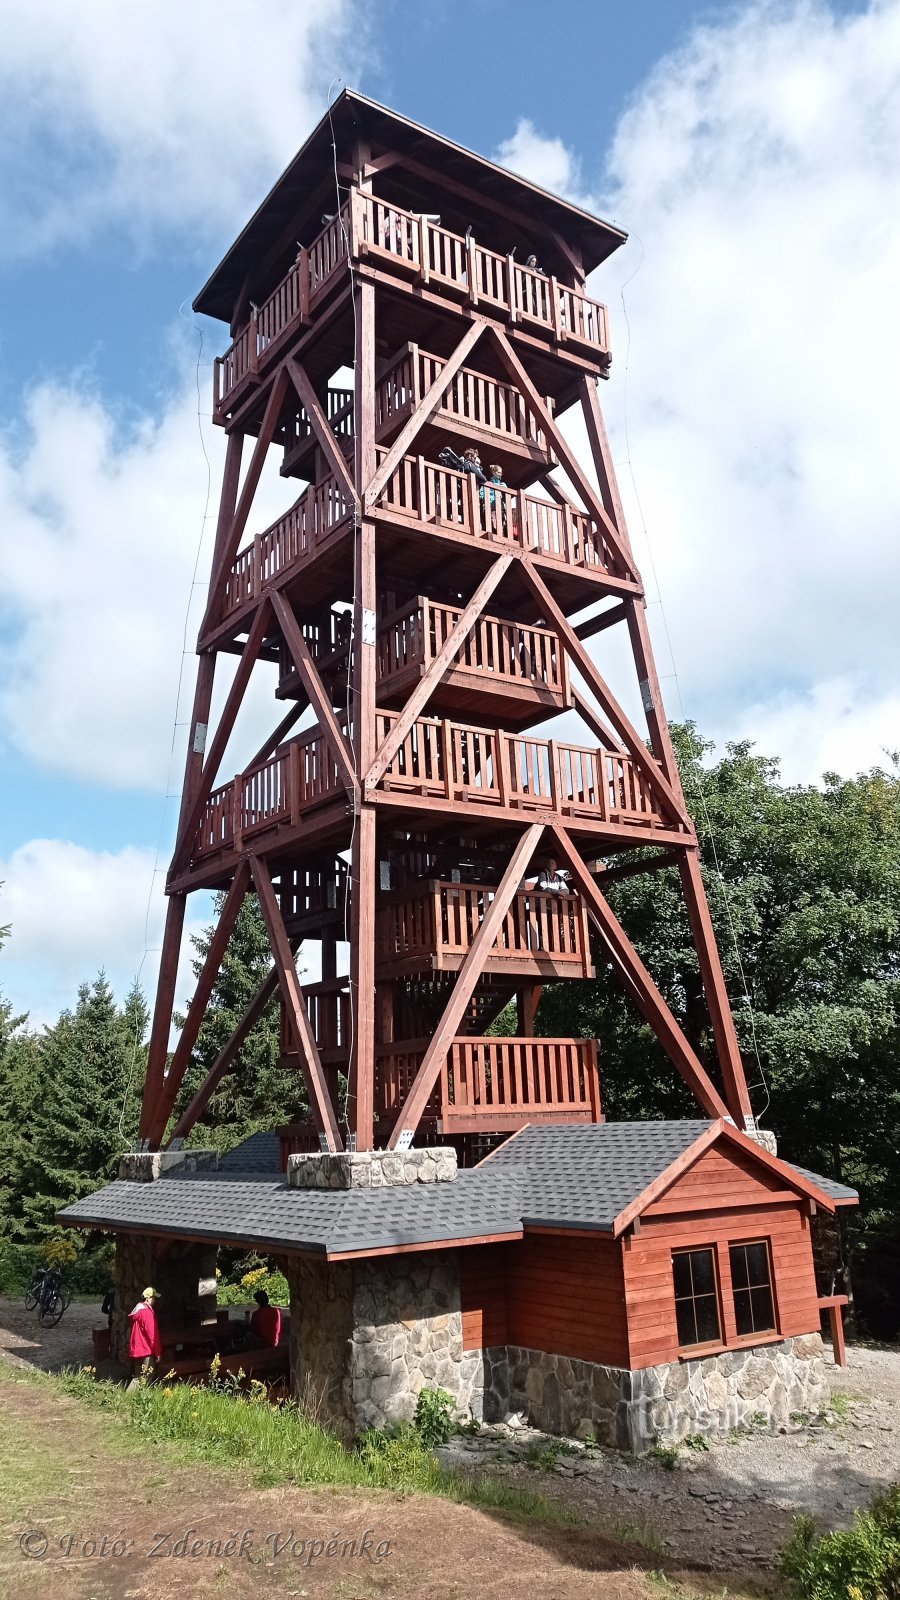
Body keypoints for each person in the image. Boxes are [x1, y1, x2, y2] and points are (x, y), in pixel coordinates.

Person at [128, 1286, 162, 1385]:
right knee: (145, 1377)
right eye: (154, 1298)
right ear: (148, 1298)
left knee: (138, 1376)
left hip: (137, 1349)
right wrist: (158, 1353)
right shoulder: (147, 1313)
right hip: (146, 1350)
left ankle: (129, 1398)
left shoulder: (138, 1310)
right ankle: (128, 1398)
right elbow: (152, 1335)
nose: (155, 1300)